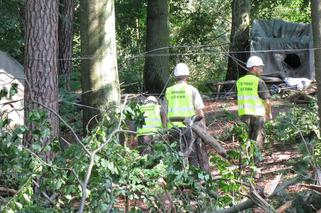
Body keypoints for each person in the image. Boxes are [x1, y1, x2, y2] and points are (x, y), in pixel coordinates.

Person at [164, 63, 209, 171]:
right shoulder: (192, 90)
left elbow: (164, 111)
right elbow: (199, 111)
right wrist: (204, 129)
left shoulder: (169, 91)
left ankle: (177, 181)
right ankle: (194, 180)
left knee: (175, 155)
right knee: (192, 154)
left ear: (175, 76)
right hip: (188, 127)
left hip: (172, 127)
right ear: (187, 75)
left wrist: (165, 129)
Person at [236, 56, 272, 150]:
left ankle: (245, 161)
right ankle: (255, 162)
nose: (261, 70)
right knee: (256, 141)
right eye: (260, 67)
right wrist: (268, 113)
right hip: (257, 115)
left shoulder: (239, 81)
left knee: (244, 140)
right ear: (254, 68)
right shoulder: (259, 81)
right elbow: (266, 101)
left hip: (243, 114)